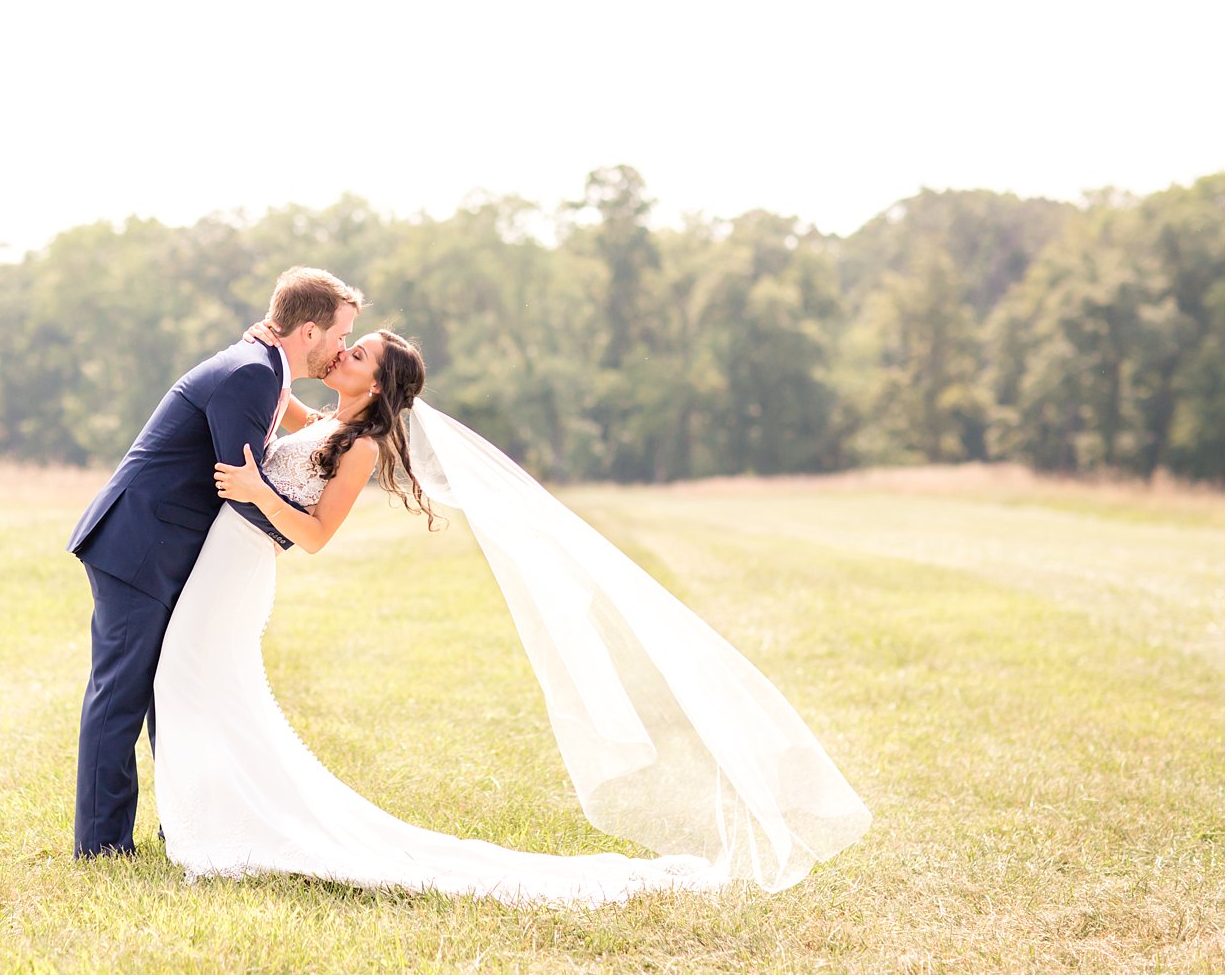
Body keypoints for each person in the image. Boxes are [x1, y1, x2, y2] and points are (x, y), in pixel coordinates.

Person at [152, 325, 872, 904]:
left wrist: (253, 488)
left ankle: (223, 823)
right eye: (348, 343)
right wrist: (273, 346)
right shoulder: (330, 424)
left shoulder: (363, 448)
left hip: (245, 569)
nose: (344, 352)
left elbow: (312, 537)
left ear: (377, 382)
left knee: (190, 678)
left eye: (359, 351)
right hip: (226, 568)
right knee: (201, 685)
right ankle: (216, 811)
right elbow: (281, 404)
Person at [67, 266, 361, 858]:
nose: (342, 348)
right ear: (308, 331)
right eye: (340, 335)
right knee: (121, 693)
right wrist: (289, 533)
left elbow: (277, 439)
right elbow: (238, 480)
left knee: (168, 688)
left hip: (165, 545)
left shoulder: (264, 366)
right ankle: (100, 846)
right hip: (142, 545)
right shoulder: (252, 372)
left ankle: (180, 821)